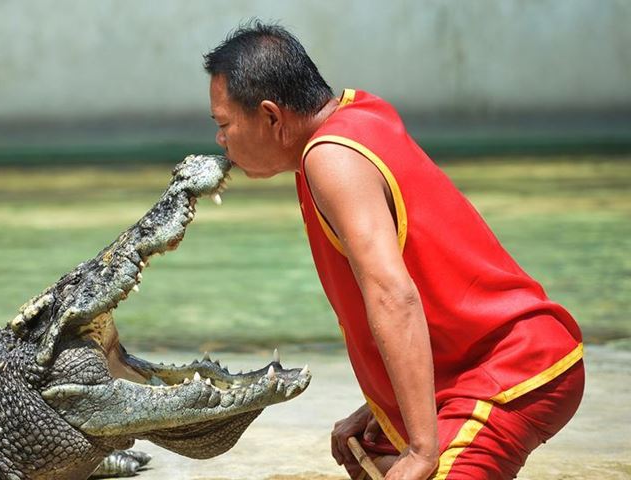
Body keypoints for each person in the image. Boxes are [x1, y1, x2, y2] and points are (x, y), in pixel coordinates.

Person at [203, 21, 584, 480]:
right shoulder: (357, 112)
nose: (220, 140)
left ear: (270, 117)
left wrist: (423, 450)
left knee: (417, 467)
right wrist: (378, 406)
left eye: (224, 124)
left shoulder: (329, 158)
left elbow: (392, 293)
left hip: (512, 369)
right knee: (366, 454)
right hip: (480, 366)